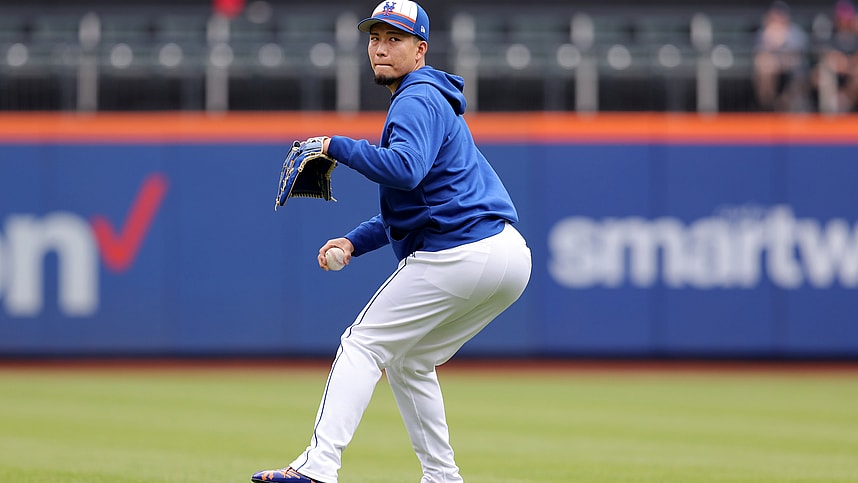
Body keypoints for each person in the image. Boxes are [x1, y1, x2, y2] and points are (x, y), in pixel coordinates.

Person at [251, 2, 532, 482]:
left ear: (420, 50)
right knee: (411, 360)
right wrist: (355, 243)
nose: (381, 48)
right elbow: (419, 202)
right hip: (507, 256)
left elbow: (404, 169)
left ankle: (318, 467)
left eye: (395, 39)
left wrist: (334, 145)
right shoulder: (432, 100)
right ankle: (442, 477)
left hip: (459, 253)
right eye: (375, 38)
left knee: (362, 345)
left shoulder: (416, 98)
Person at [752, 1, 811, 111]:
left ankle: (781, 106)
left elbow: (797, 56)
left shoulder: (796, 32)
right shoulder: (764, 32)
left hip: (796, 73)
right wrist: (770, 42)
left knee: (794, 86)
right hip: (772, 74)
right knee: (764, 66)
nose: (777, 17)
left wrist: (781, 43)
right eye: (775, 14)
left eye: (780, 14)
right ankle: (769, 107)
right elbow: (759, 54)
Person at [813, 0, 858, 112]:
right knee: (821, 75)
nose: (845, 21)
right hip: (834, 71)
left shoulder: (855, 34)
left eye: (848, 18)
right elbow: (825, 54)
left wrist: (849, 64)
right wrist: (838, 61)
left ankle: (845, 103)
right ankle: (829, 113)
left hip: (852, 72)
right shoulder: (830, 32)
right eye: (842, 18)